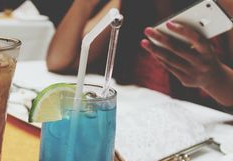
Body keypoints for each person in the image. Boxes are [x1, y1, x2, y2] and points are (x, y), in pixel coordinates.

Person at [46, 0, 233, 110]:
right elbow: (60, 61)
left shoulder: (221, 6)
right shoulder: (128, 4)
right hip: (143, 125)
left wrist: (215, 79)